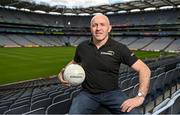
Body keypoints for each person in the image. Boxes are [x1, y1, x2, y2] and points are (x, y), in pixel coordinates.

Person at [58, 13, 151, 114]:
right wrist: (62, 72)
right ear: (91, 28)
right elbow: (73, 62)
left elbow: (144, 69)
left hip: (113, 94)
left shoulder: (119, 48)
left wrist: (140, 97)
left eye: (102, 24)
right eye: (95, 25)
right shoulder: (82, 47)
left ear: (109, 28)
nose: (98, 28)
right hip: (87, 94)